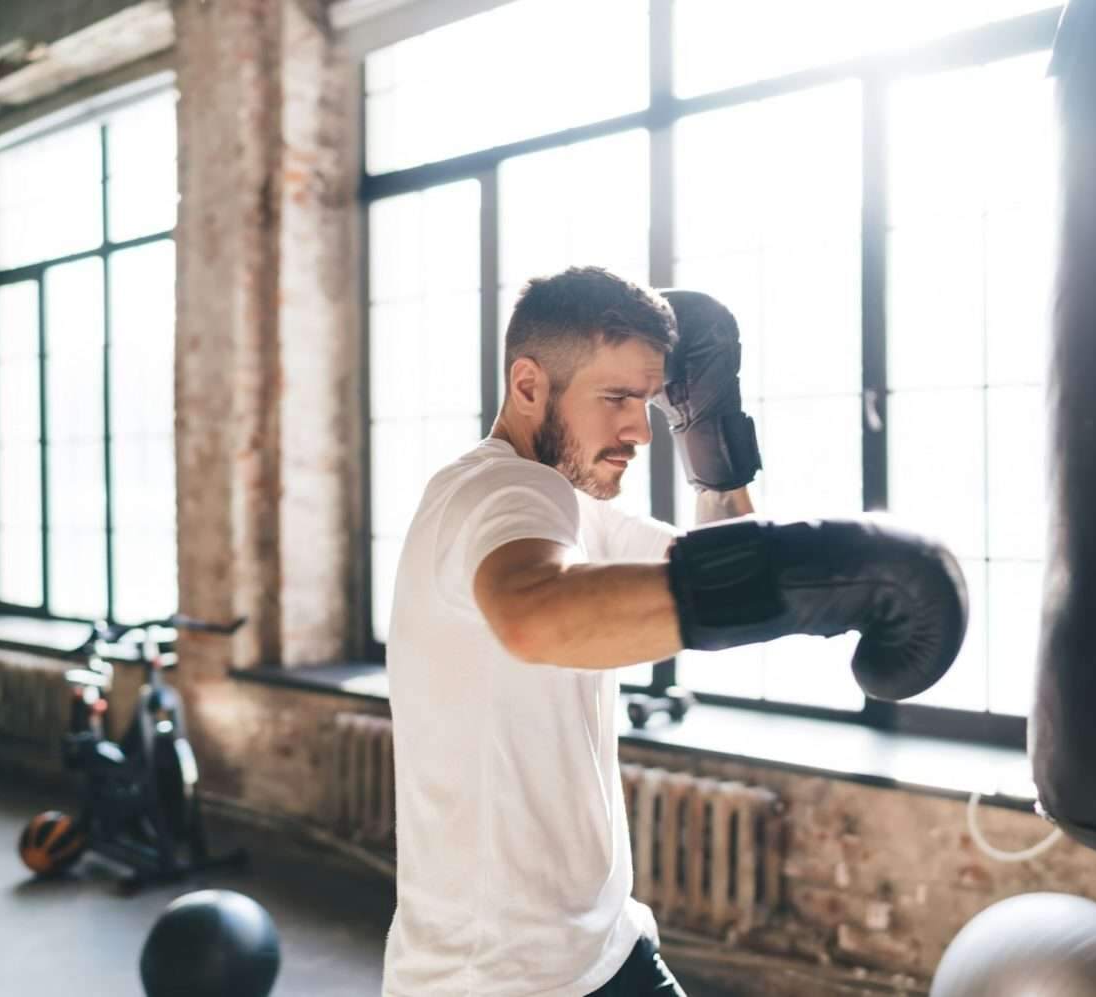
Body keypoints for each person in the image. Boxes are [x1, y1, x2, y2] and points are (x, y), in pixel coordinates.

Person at [383, 266, 966, 996]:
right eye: (618, 398)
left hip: (601, 944)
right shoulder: (499, 490)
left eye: (652, 401)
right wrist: (832, 572)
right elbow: (535, 616)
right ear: (528, 385)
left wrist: (712, 437)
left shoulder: (567, 504)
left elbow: (714, 562)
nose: (639, 429)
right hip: (503, 980)